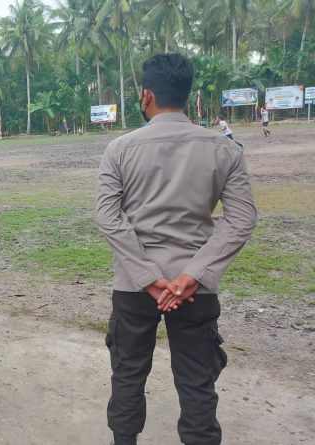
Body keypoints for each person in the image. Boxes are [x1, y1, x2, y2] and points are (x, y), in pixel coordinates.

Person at [96, 54, 257, 445]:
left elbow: (108, 217)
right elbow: (242, 219)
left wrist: (149, 278)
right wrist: (193, 276)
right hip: (194, 290)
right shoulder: (224, 149)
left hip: (134, 288)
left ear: (146, 95)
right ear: (187, 94)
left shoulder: (119, 149)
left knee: (128, 375)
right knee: (197, 381)